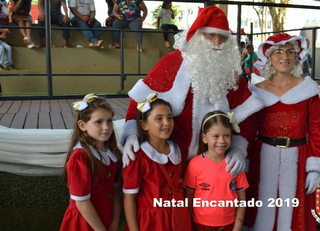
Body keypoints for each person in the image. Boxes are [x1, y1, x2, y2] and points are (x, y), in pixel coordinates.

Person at [120, 6, 264, 178]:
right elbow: (139, 101)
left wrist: (239, 149)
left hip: (215, 162)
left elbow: (247, 117)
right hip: (170, 159)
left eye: (222, 37)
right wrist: (131, 134)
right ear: (196, 35)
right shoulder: (171, 63)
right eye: (210, 35)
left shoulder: (230, 74)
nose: (217, 42)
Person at [244, 33, 320, 231]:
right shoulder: (256, 90)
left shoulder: (307, 89)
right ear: (268, 56)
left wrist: (315, 167)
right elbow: (247, 131)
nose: (285, 57)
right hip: (262, 159)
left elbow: (317, 129)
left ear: (297, 56)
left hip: (299, 160)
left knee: (294, 215)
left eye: (290, 51)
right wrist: (243, 159)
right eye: (279, 52)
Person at [122, 93, 192, 231]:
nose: (166, 122)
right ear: (144, 125)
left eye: (169, 118)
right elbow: (129, 198)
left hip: (179, 220)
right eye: (159, 118)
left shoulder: (178, 151)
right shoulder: (138, 157)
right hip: (151, 223)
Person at [60, 94, 122, 231]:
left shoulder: (114, 154)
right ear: (82, 125)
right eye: (98, 122)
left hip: (106, 220)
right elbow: (82, 203)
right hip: (83, 223)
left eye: (109, 120)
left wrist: (114, 224)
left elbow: (117, 194)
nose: (106, 127)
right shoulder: (81, 157)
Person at [183, 110, 248, 231]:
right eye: (216, 136)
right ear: (204, 138)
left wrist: (237, 227)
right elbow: (189, 198)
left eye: (226, 135)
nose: (222, 141)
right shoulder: (194, 165)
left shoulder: (236, 165)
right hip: (199, 225)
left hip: (229, 226)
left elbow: (242, 200)